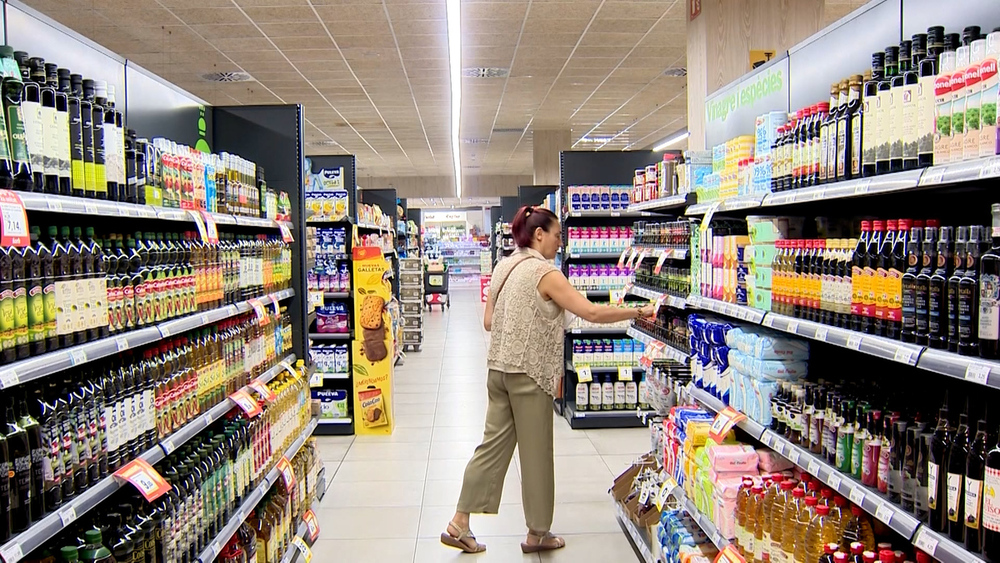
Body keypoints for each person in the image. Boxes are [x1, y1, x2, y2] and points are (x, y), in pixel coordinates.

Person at [440, 205, 655, 554]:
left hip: (498, 370)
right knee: (537, 453)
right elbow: (592, 312)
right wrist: (638, 311)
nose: (560, 242)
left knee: (491, 446)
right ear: (539, 235)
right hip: (529, 373)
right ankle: (538, 533)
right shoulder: (545, 273)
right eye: (557, 236)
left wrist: (524, 319)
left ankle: (459, 521)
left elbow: (489, 321)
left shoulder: (503, 266)